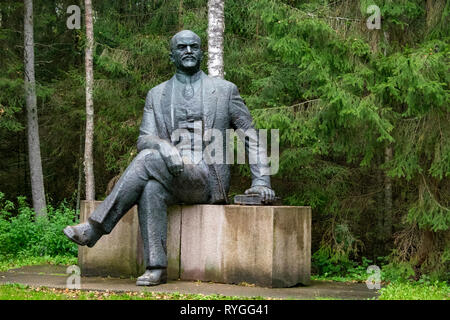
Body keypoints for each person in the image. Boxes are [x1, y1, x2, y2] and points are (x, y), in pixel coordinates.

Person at [63, 30, 275, 286]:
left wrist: (262, 181)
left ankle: (95, 229)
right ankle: (156, 267)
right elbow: (145, 139)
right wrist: (165, 147)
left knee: (147, 159)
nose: (188, 51)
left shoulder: (224, 90)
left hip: (206, 179)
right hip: (170, 176)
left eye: (194, 46)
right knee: (151, 188)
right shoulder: (157, 94)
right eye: (182, 47)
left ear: (201, 52)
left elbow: (250, 135)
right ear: (172, 55)